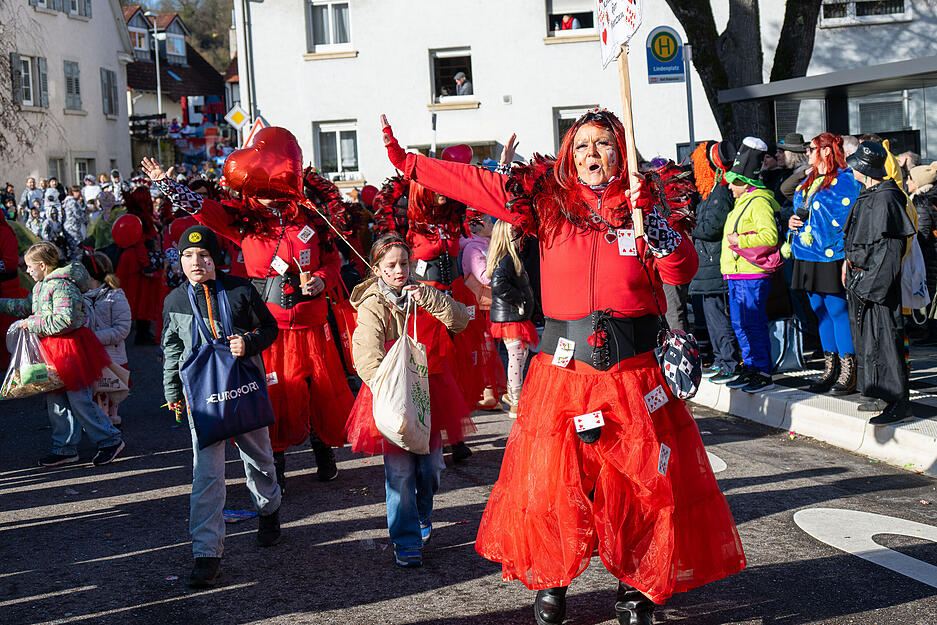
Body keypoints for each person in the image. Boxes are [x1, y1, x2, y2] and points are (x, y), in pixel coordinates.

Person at [380, 110, 744, 624]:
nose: (592, 155)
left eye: (603, 145)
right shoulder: (544, 204)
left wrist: (657, 224)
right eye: (581, 147)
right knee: (556, 482)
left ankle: (636, 584)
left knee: (639, 484)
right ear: (569, 158)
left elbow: (680, 269)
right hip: (564, 374)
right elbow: (477, 183)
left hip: (634, 372)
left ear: (623, 151)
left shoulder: (645, 203)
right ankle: (553, 581)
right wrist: (410, 163)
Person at [141, 128, 354, 490]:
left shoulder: (312, 218)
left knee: (318, 389)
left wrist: (321, 277)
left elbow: (334, 261)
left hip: (310, 323)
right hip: (267, 325)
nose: (268, 198)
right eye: (260, 189)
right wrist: (166, 184)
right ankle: (278, 459)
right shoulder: (242, 221)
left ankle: (323, 449)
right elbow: (204, 210)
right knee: (274, 393)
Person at [161, 225, 282, 589]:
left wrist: (248, 342)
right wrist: (171, 392)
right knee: (207, 476)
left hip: (244, 390)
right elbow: (171, 348)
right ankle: (206, 554)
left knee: (259, 459)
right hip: (203, 400)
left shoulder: (241, 289)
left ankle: (269, 511)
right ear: (179, 261)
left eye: (203, 256)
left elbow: (270, 328)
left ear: (216, 259)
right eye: (187, 256)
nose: (195, 262)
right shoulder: (175, 301)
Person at [346, 233, 471, 567]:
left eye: (404, 263)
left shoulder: (424, 291)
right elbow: (365, 355)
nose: (399, 270)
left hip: (429, 390)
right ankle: (405, 540)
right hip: (392, 394)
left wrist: (430, 297)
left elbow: (461, 320)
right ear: (377, 270)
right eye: (391, 265)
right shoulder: (373, 303)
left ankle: (421, 513)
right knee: (399, 472)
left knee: (431, 468)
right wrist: (388, 391)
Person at [0, 242, 124, 466]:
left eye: (29, 266)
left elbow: (66, 320)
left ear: (42, 265)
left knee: (79, 400)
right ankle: (64, 448)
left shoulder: (61, 286)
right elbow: (27, 307)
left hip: (70, 350)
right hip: (54, 351)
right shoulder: (41, 285)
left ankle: (110, 440)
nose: (26, 270)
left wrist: (31, 323)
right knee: (56, 401)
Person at [844, 142, 917, 426]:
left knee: (885, 340)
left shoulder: (887, 198)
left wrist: (871, 286)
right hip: (862, 277)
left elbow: (889, 248)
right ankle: (880, 393)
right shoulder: (870, 194)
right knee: (870, 341)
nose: (851, 170)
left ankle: (898, 400)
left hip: (876, 283)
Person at [788, 133, 861, 394]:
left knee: (836, 309)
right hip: (806, 253)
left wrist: (847, 258)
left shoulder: (845, 181)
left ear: (827, 151)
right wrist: (792, 223)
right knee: (818, 309)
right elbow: (795, 202)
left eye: (811, 149)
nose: (807, 153)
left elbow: (849, 221)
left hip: (831, 255)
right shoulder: (809, 180)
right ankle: (830, 368)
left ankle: (849, 371)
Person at [722, 137, 781, 393]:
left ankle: (761, 370)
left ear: (744, 182)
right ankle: (750, 366)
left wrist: (740, 240)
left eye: (733, 182)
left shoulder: (758, 202)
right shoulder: (742, 203)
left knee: (752, 323)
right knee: (740, 324)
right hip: (737, 274)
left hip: (751, 273)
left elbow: (770, 236)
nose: (729, 187)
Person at [689, 140, 741, 383]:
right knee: (712, 318)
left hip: (714, 264)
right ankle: (722, 360)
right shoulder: (712, 190)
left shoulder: (719, 191)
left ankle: (728, 362)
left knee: (719, 318)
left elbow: (711, 228)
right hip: (708, 264)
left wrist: (689, 226)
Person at [487, 219, 538, 417]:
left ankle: (512, 394)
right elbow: (499, 285)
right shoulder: (507, 259)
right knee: (516, 357)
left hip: (513, 316)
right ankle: (516, 401)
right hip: (510, 317)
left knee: (519, 356)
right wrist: (519, 300)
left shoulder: (510, 257)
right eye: (516, 231)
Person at [82, 252, 132, 428]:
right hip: (90, 355)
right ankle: (102, 421)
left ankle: (111, 420)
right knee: (96, 390)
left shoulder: (115, 295)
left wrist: (93, 338)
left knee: (111, 388)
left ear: (90, 274)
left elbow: (123, 328)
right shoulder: (81, 298)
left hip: (112, 355)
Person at [907, 162, 937, 343]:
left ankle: (928, 332)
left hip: (929, 255)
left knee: (928, 293)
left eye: (910, 178)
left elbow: (922, 231)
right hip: (933, 253)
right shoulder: (932, 198)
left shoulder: (921, 201)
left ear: (918, 183)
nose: (907, 181)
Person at [777, 133, 810, 202]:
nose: (778, 155)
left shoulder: (804, 171)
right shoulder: (799, 169)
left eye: (784, 152)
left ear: (790, 154)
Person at [62, 185, 89, 261]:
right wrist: (87, 221)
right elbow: (79, 215)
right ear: (72, 192)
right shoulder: (72, 202)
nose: (79, 193)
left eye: (79, 191)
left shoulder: (67, 201)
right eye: (76, 191)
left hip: (71, 227)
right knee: (77, 249)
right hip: (73, 228)